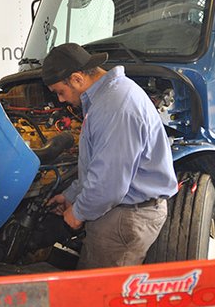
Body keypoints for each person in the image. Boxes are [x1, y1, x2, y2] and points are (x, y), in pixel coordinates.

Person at [42, 42, 178, 269]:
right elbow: (97, 164)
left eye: (60, 92)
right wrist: (71, 195)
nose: (61, 100)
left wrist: (77, 213)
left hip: (125, 219)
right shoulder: (109, 97)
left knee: (100, 296)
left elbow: (108, 184)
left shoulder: (115, 105)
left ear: (76, 79)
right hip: (119, 211)